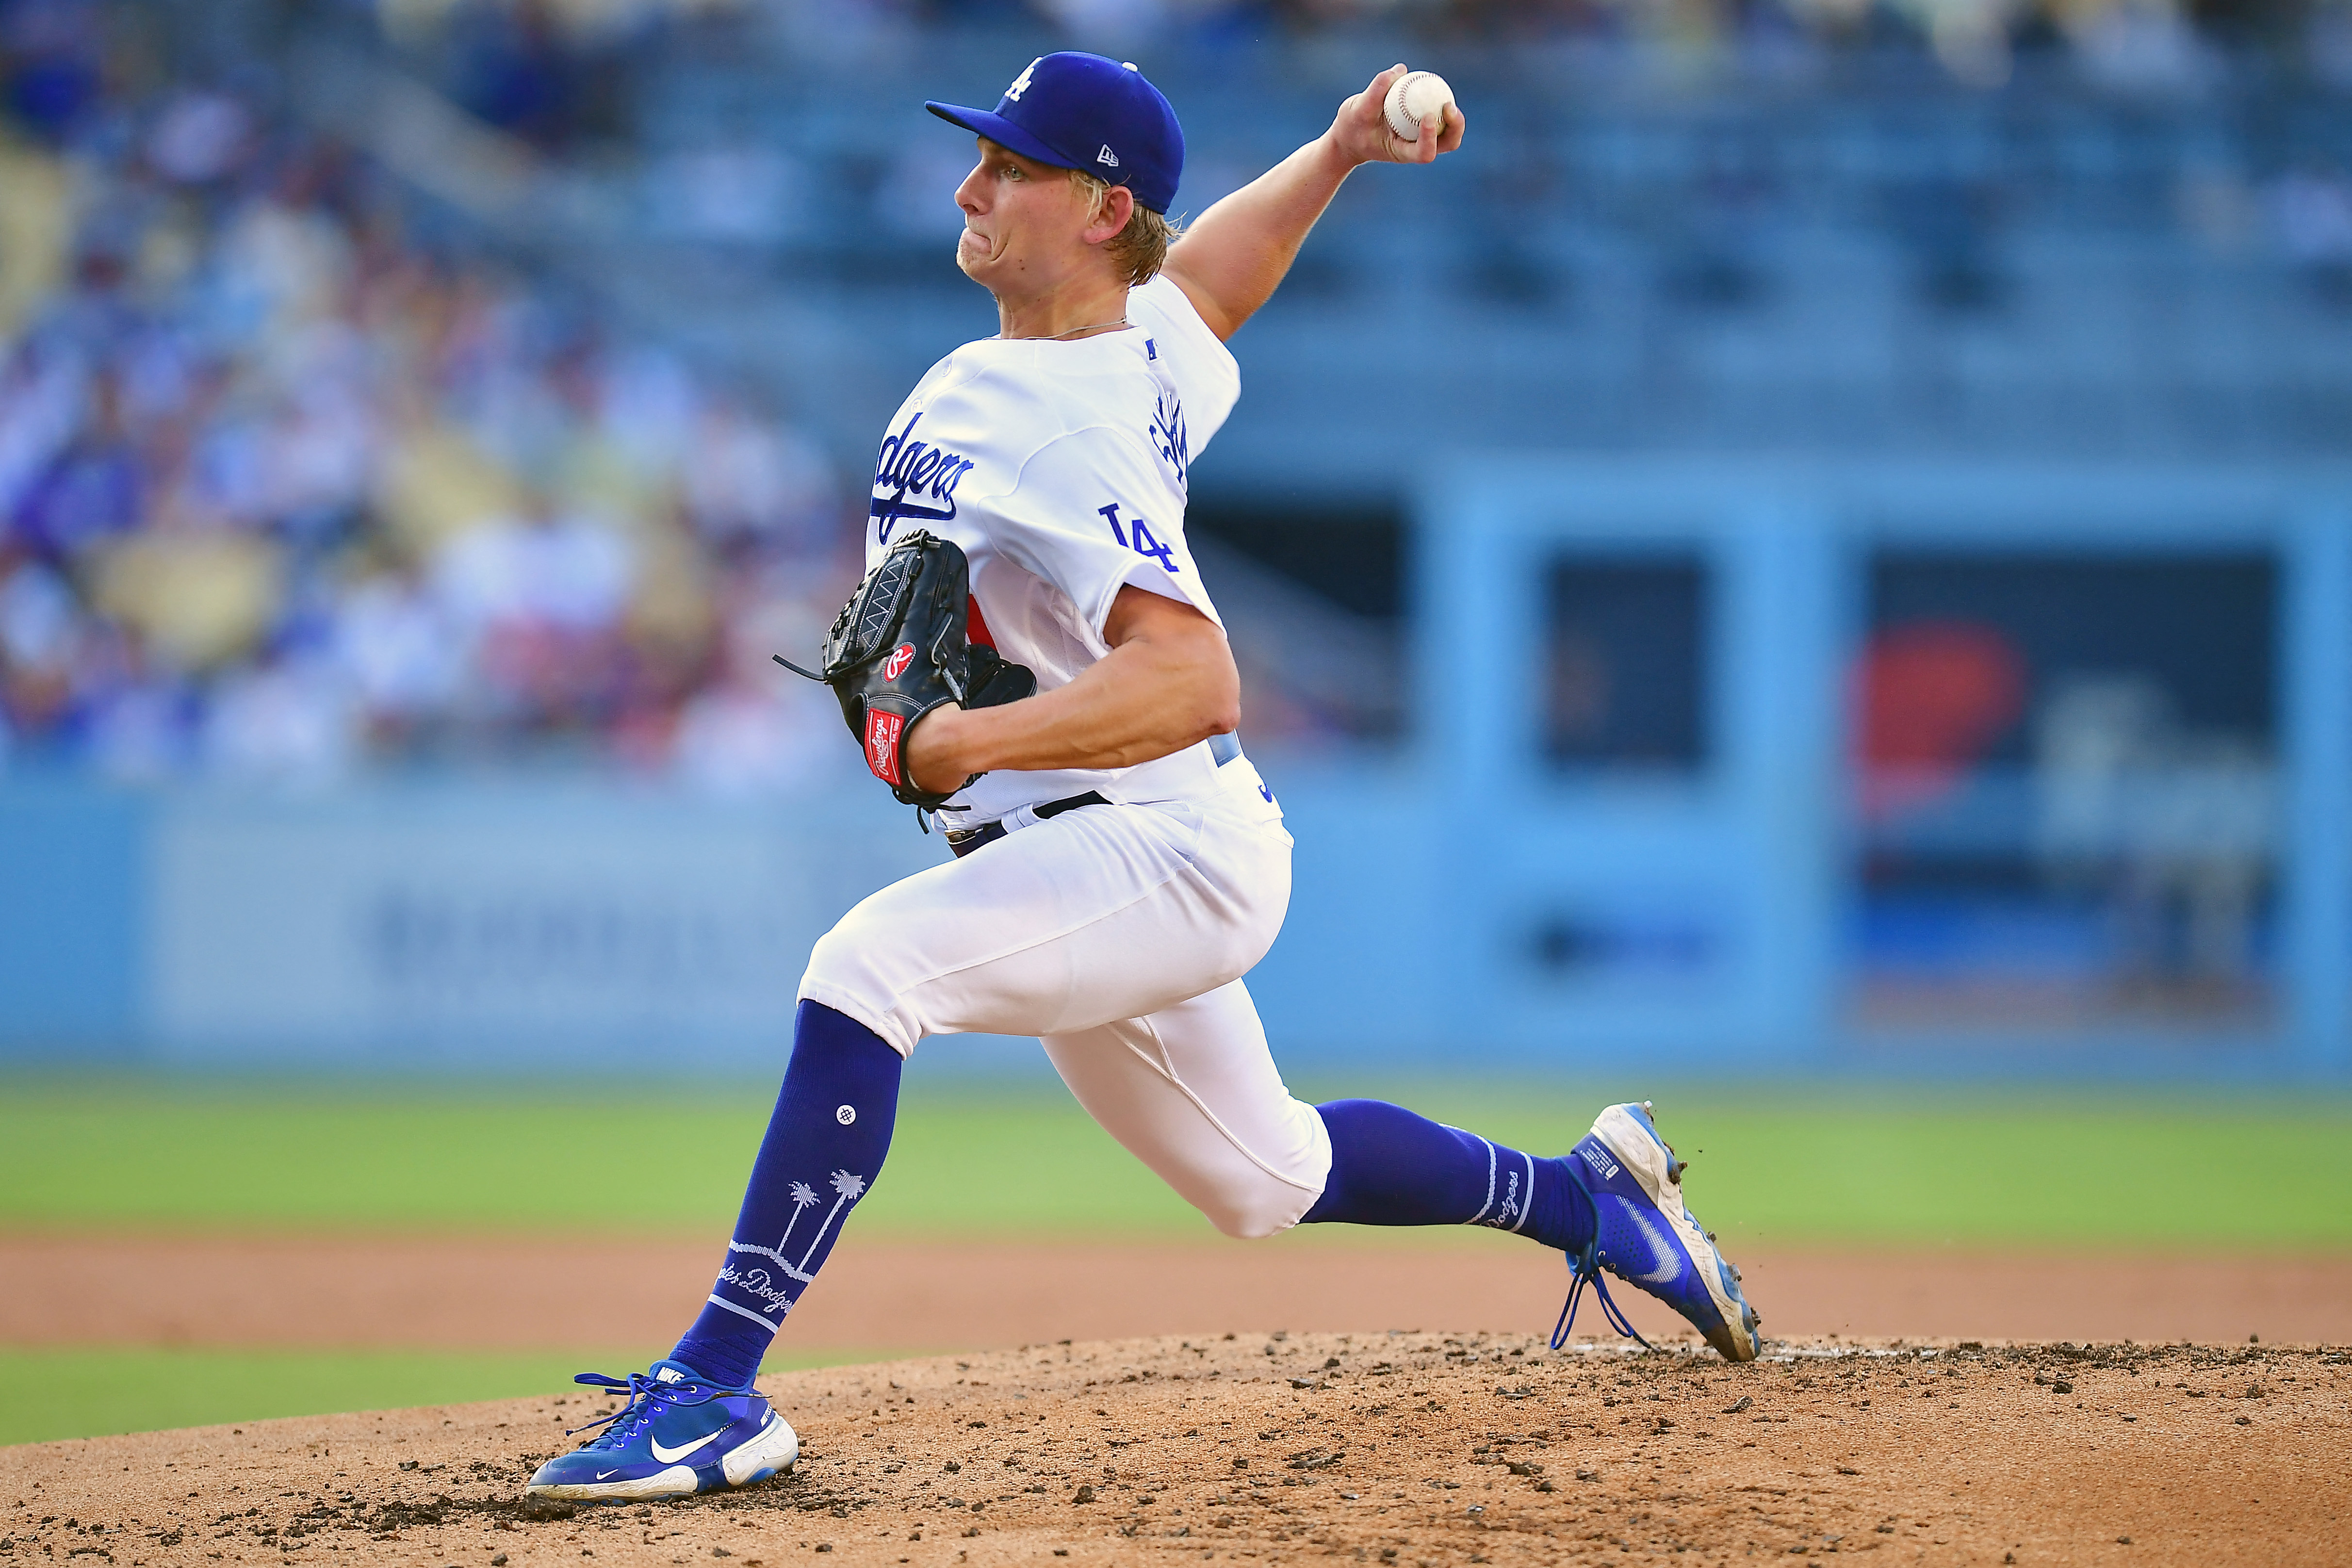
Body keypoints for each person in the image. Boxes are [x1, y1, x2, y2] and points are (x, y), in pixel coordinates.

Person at [526, 55, 1761, 1503]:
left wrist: (958, 743)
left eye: (1013, 167)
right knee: (1267, 1179)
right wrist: (1339, 150)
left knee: (868, 970)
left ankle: (713, 1388)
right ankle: (1596, 1203)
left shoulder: (1067, 420)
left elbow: (1194, 680)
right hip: (1089, 846)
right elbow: (1214, 283)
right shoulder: (1119, 352)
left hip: (1158, 849)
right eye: (983, 156)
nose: (973, 185)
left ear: (1103, 208)